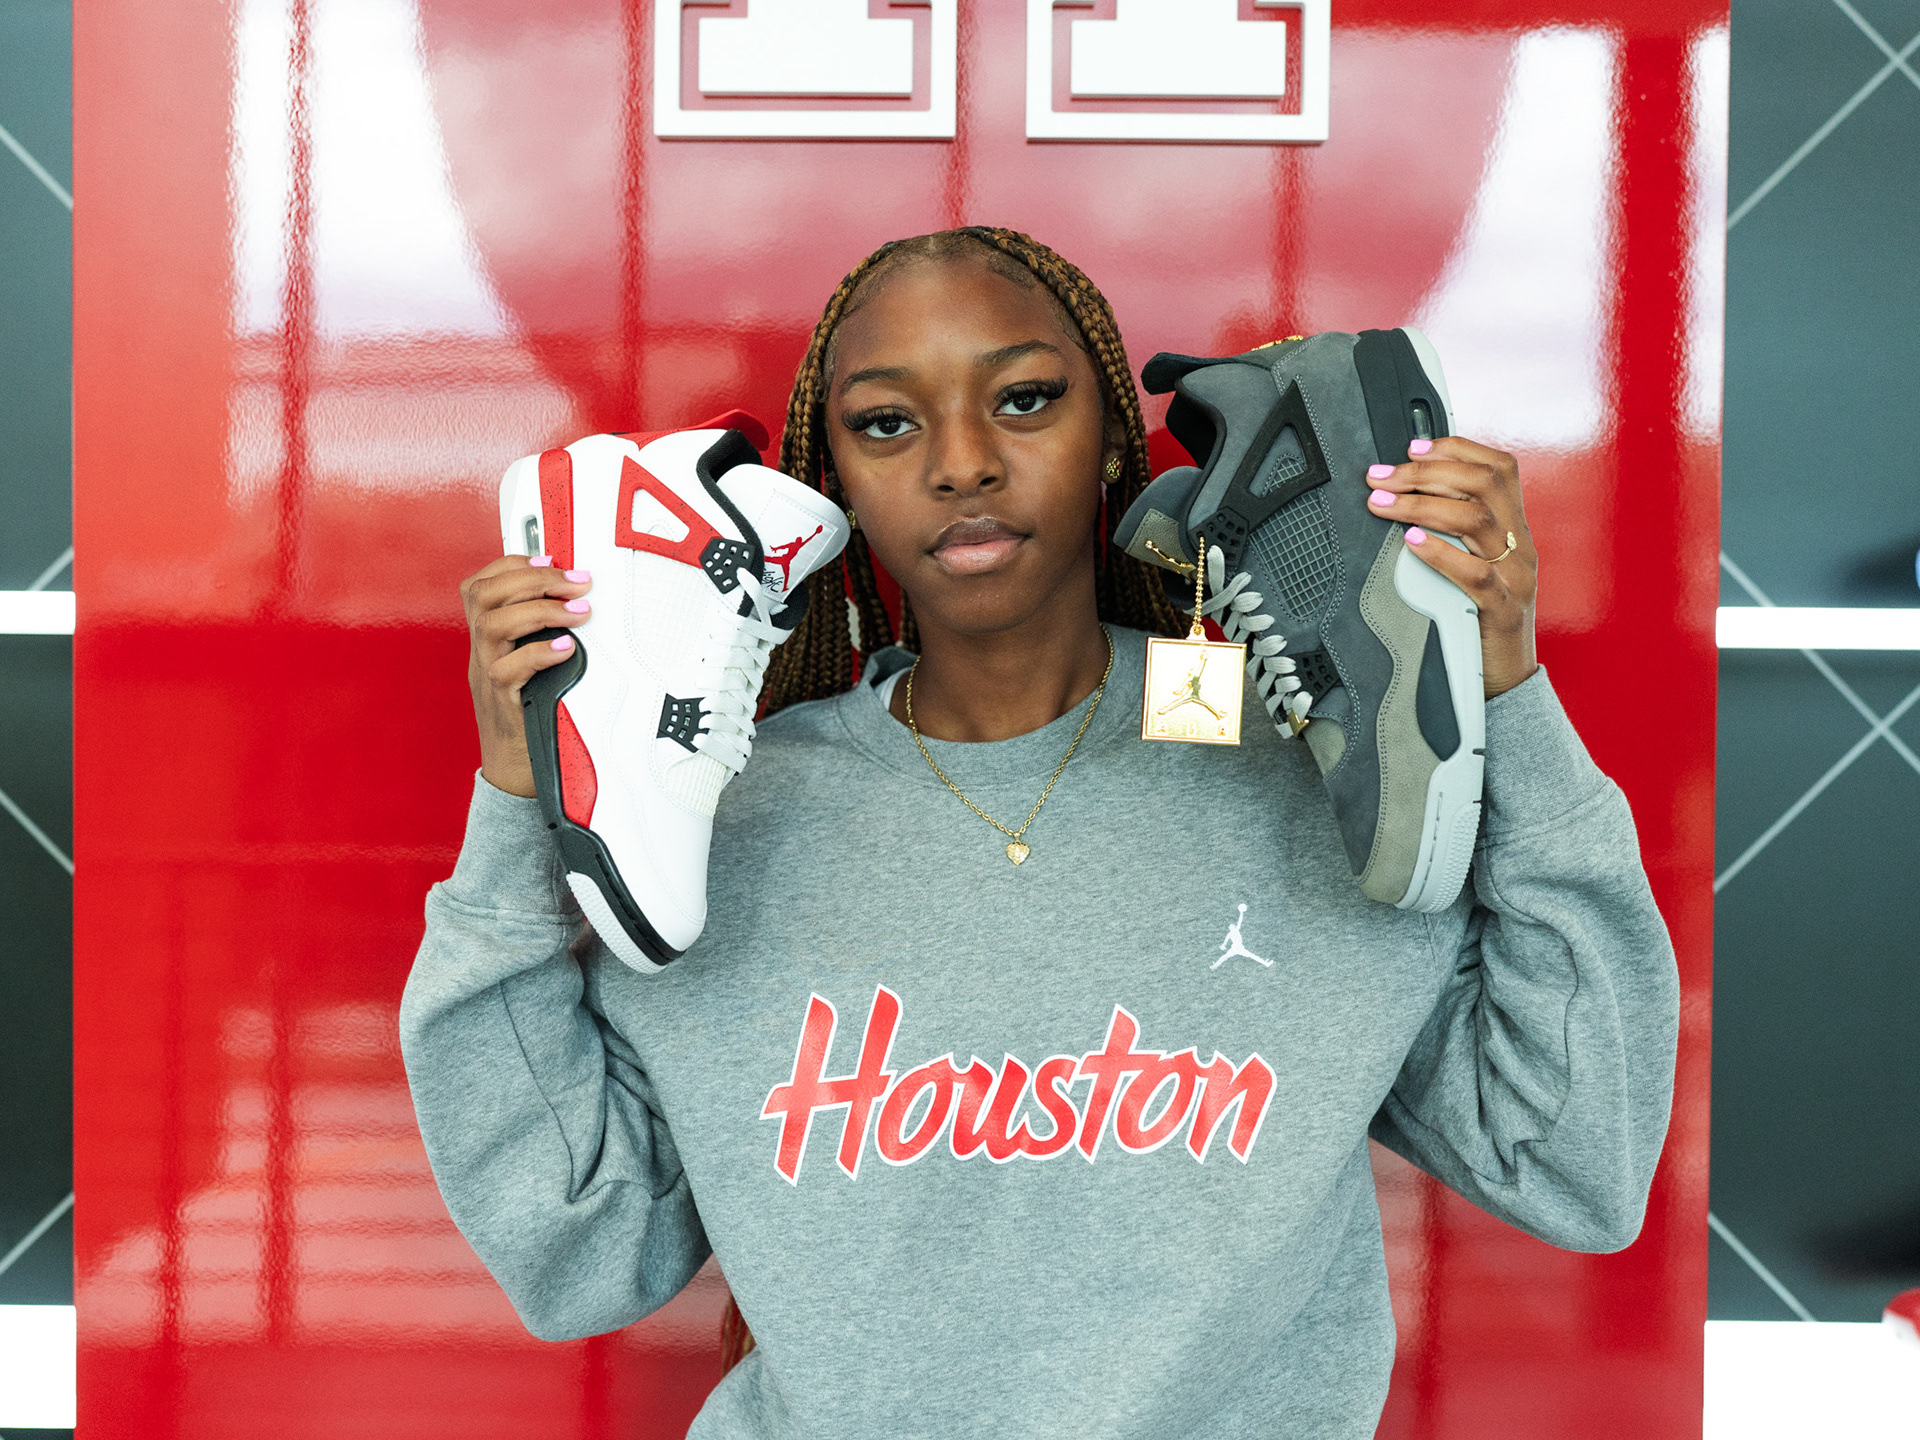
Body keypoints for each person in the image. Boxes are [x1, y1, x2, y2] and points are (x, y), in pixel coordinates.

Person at [400, 227, 1679, 1438]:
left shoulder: (1330, 773)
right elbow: (578, 1251)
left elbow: (1572, 1159)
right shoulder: (704, 821)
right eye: (887, 422)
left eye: (1023, 400)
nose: (961, 461)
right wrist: (521, 798)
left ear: (1115, 438)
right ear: (829, 477)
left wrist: (1501, 688)